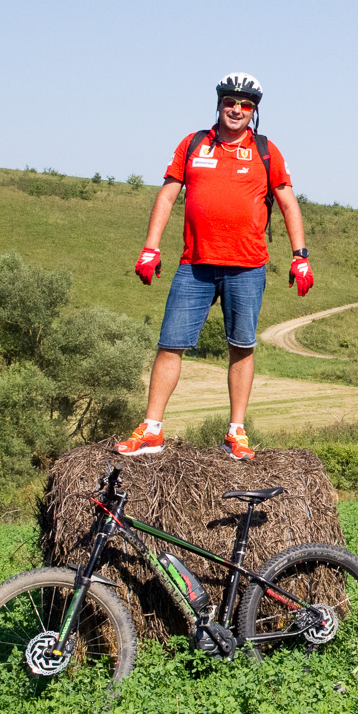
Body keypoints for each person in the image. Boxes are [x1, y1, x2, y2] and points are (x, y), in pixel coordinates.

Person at [115, 74, 315, 460]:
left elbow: (289, 203)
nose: (237, 110)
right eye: (230, 102)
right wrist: (150, 249)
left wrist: (300, 256)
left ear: (253, 110)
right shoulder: (193, 144)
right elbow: (168, 195)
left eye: (245, 104)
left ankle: (235, 432)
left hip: (247, 266)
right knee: (170, 344)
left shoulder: (265, 150)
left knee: (241, 346)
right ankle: (152, 428)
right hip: (195, 264)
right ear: (219, 103)